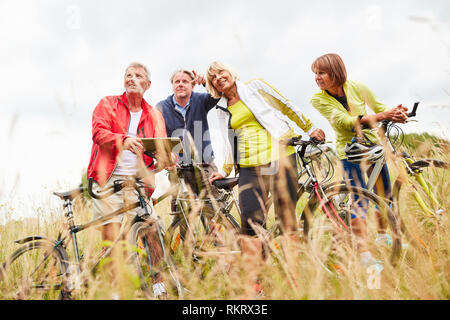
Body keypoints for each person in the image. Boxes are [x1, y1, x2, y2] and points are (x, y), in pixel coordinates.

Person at [206, 61, 325, 294]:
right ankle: (254, 286)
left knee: (286, 219)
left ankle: (294, 278)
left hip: (281, 158)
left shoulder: (256, 87)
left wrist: (310, 127)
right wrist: (226, 169)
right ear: (213, 87)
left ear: (230, 71)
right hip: (249, 167)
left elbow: (287, 106)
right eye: (213, 78)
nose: (219, 77)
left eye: (221, 72)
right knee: (250, 225)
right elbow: (230, 142)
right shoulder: (221, 109)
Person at [310, 53, 408, 268]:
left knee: (384, 194)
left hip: (372, 146)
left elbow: (380, 106)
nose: (317, 78)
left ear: (335, 71)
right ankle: (363, 254)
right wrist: (384, 116)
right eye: (315, 74)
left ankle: (382, 235)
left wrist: (397, 112)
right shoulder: (318, 99)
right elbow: (344, 122)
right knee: (361, 200)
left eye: (321, 73)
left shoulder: (357, 86)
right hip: (349, 152)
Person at [86, 62, 168, 298]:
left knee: (151, 229)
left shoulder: (154, 114)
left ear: (148, 84)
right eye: (128, 75)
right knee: (112, 240)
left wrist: (166, 159)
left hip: (139, 183)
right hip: (109, 181)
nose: (131, 78)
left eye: (138, 75)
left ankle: (158, 284)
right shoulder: (108, 104)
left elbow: (161, 146)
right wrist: (123, 140)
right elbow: (99, 133)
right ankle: (115, 291)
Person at [156, 69, 222, 207]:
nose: (180, 84)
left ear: (192, 86)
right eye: (177, 81)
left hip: (205, 165)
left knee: (216, 211)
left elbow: (217, 95)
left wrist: (205, 83)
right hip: (178, 169)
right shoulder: (161, 107)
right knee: (182, 216)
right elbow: (159, 136)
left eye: (185, 81)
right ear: (172, 85)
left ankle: (215, 227)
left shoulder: (201, 100)